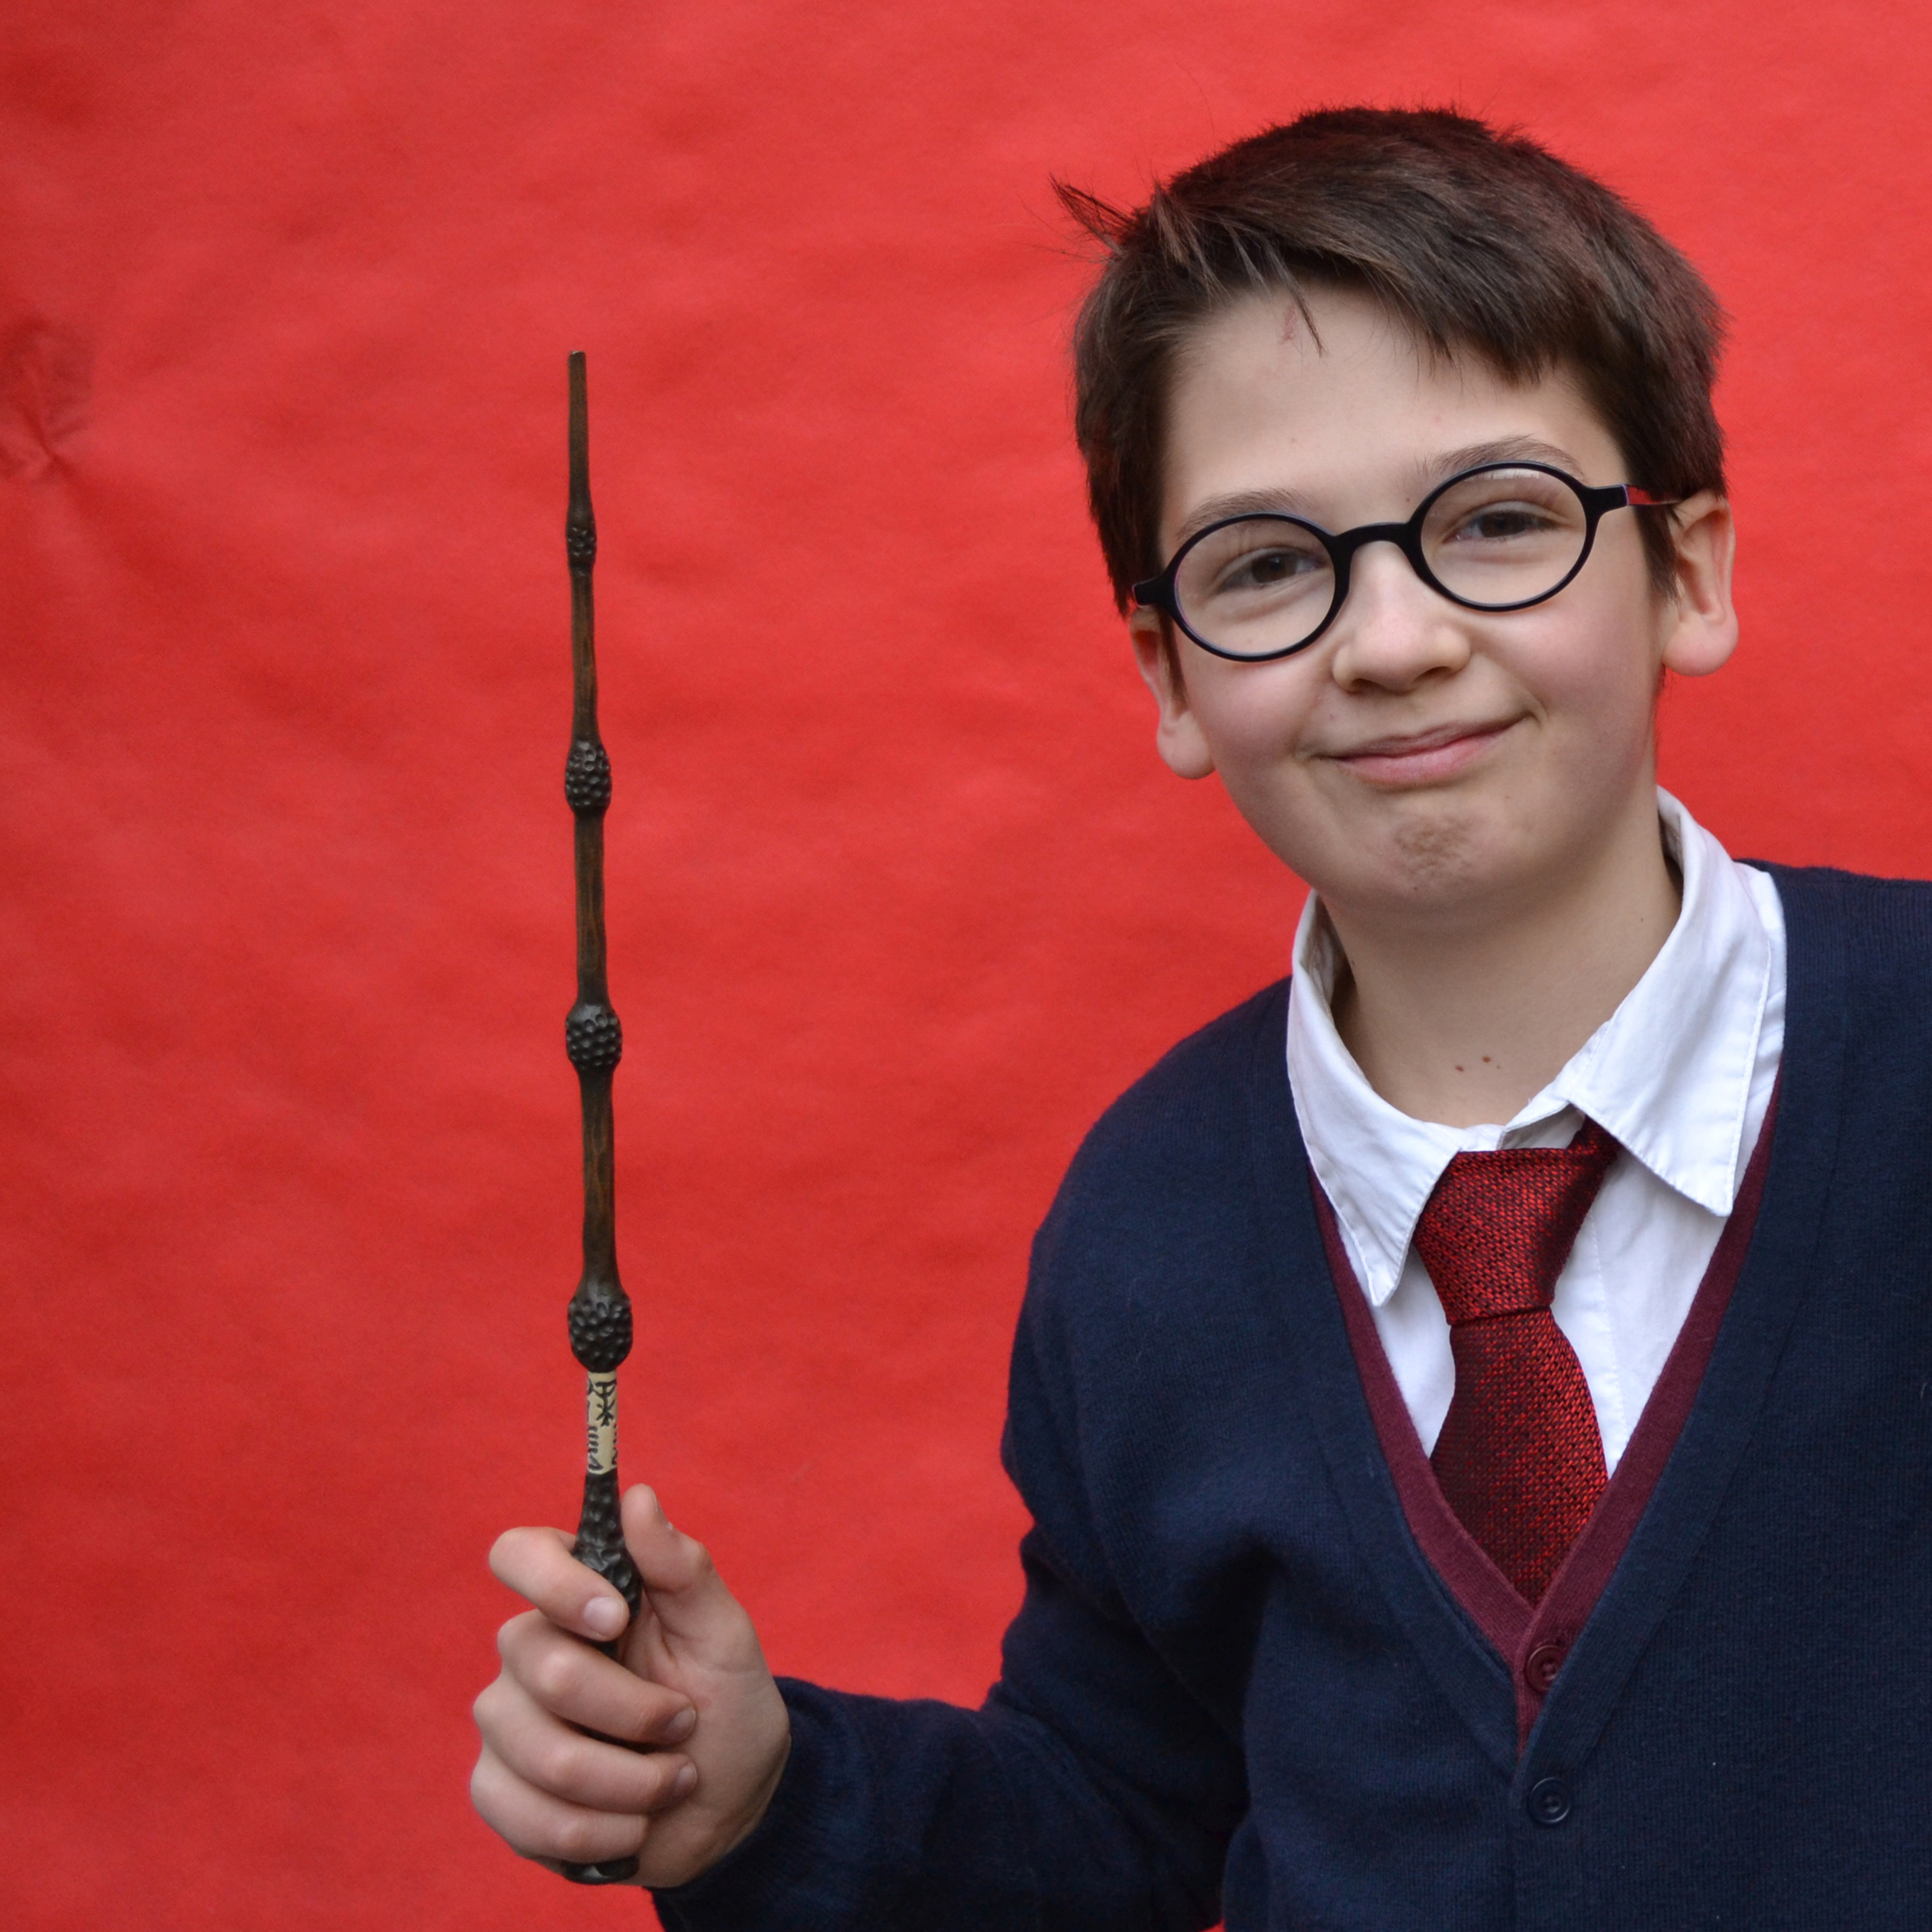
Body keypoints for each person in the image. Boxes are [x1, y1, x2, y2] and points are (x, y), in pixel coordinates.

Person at [469, 109, 1932, 1928]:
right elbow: (1122, 1821)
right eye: (1267, 566)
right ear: (1169, 672)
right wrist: (769, 1799)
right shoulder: (1148, 1231)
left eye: (1498, 523)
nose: (1390, 640)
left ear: (1688, 570)